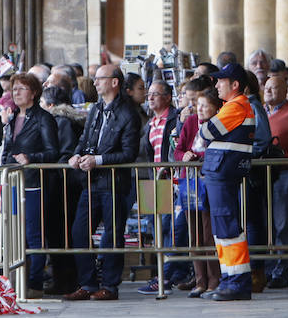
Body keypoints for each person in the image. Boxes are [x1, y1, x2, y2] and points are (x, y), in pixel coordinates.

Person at [64, 65, 141, 302]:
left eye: (100, 79)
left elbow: (129, 153)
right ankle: (88, 282)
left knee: (112, 235)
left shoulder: (129, 113)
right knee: (79, 231)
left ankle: (109, 284)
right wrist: (76, 155)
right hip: (92, 181)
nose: (95, 83)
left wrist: (97, 160)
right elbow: (85, 139)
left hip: (114, 182)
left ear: (114, 82)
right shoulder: (96, 108)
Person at [0, 72, 60, 299]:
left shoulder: (43, 119)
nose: (16, 92)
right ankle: (16, 282)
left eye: (21, 88)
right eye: (14, 89)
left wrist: (31, 158)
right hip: (11, 183)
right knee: (13, 233)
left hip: (33, 183)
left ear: (33, 93)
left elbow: (53, 152)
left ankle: (34, 282)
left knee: (34, 234)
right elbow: (7, 149)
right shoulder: (12, 118)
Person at [200, 63, 256, 301]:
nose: (216, 84)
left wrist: (204, 123)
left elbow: (206, 132)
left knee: (228, 228)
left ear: (234, 85)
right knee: (224, 229)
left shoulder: (236, 106)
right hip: (220, 171)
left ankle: (237, 281)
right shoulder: (231, 106)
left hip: (223, 171)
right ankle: (230, 278)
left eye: (221, 81)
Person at [137, 79, 187, 294]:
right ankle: (167, 272)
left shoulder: (175, 119)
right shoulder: (150, 123)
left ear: (167, 97)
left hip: (169, 180)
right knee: (156, 229)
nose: (150, 98)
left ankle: (166, 275)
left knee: (171, 229)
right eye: (149, 94)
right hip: (152, 180)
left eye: (155, 94)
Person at [174, 88, 224, 298]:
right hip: (190, 183)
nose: (201, 109)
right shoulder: (191, 122)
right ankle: (200, 280)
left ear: (216, 107)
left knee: (208, 233)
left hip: (209, 181)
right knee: (194, 233)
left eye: (205, 105)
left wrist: (199, 156)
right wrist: (184, 155)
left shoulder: (220, 123)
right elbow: (178, 150)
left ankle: (214, 279)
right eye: (199, 105)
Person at [40, 85, 87, 295]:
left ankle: (66, 280)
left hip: (62, 187)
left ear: (50, 105)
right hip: (60, 186)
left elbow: (65, 153)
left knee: (61, 234)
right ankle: (64, 278)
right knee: (59, 234)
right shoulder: (61, 121)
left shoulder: (62, 122)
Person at [263, 75, 288, 288]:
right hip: (261, 173)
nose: (269, 91)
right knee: (265, 223)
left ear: (285, 90)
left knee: (282, 223)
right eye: (267, 88)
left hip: (285, 171)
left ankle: (281, 269)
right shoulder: (259, 111)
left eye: (275, 88)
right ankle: (266, 268)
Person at [243, 70, 271, 293]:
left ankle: (256, 271)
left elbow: (261, 139)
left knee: (253, 222)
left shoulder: (253, 107)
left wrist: (244, 156)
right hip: (242, 173)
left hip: (250, 173)